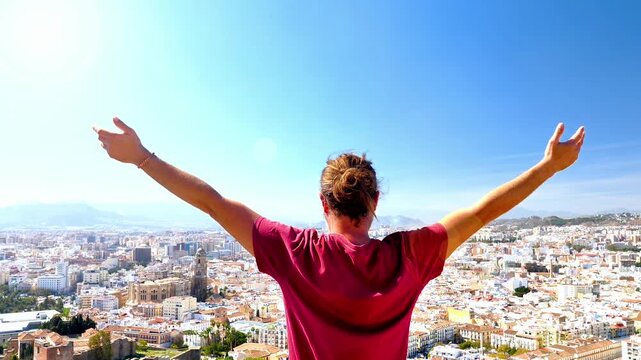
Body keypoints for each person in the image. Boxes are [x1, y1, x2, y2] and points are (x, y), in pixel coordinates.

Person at [93, 118, 585, 359]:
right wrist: (547, 168)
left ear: (323, 203)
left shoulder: (295, 252)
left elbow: (213, 201)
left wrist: (142, 158)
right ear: (375, 203)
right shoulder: (410, 256)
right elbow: (483, 212)